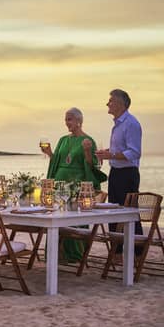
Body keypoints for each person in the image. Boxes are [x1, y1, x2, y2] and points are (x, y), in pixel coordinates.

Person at [40, 107, 106, 262]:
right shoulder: (63, 140)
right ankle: (56, 254)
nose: (66, 122)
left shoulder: (88, 140)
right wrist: (49, 153)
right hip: (59, 186)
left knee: (73, 219)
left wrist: (88, 151)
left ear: (79, 121)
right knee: (55, 218)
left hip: (76, 187)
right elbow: (57, 161)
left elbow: (92, 165)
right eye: (65, 119)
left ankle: (74, 255)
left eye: (69, 119)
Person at [95, 89, 143, 258]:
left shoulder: (131, 123)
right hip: (115, 172)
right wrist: (106, 153)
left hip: (127, 174)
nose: (107, 104)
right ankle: (115, 253)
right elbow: (119, 150)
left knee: (129, 214)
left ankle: (137, 254)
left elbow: (134, 152)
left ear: (121, 104)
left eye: (110, 101)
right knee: (113, 212)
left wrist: (112, 155)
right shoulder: (117, 125)